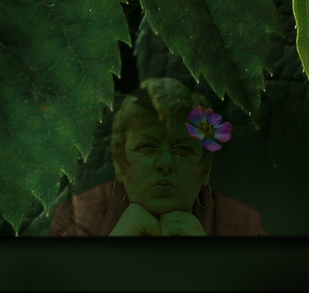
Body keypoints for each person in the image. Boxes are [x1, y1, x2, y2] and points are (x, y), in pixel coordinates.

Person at [51, 78, 266, 236]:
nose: (165, 164)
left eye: (183, 150)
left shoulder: (243, 227)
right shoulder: (76, 221)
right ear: (118, 161)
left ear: (206, 167)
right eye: (146, 147)